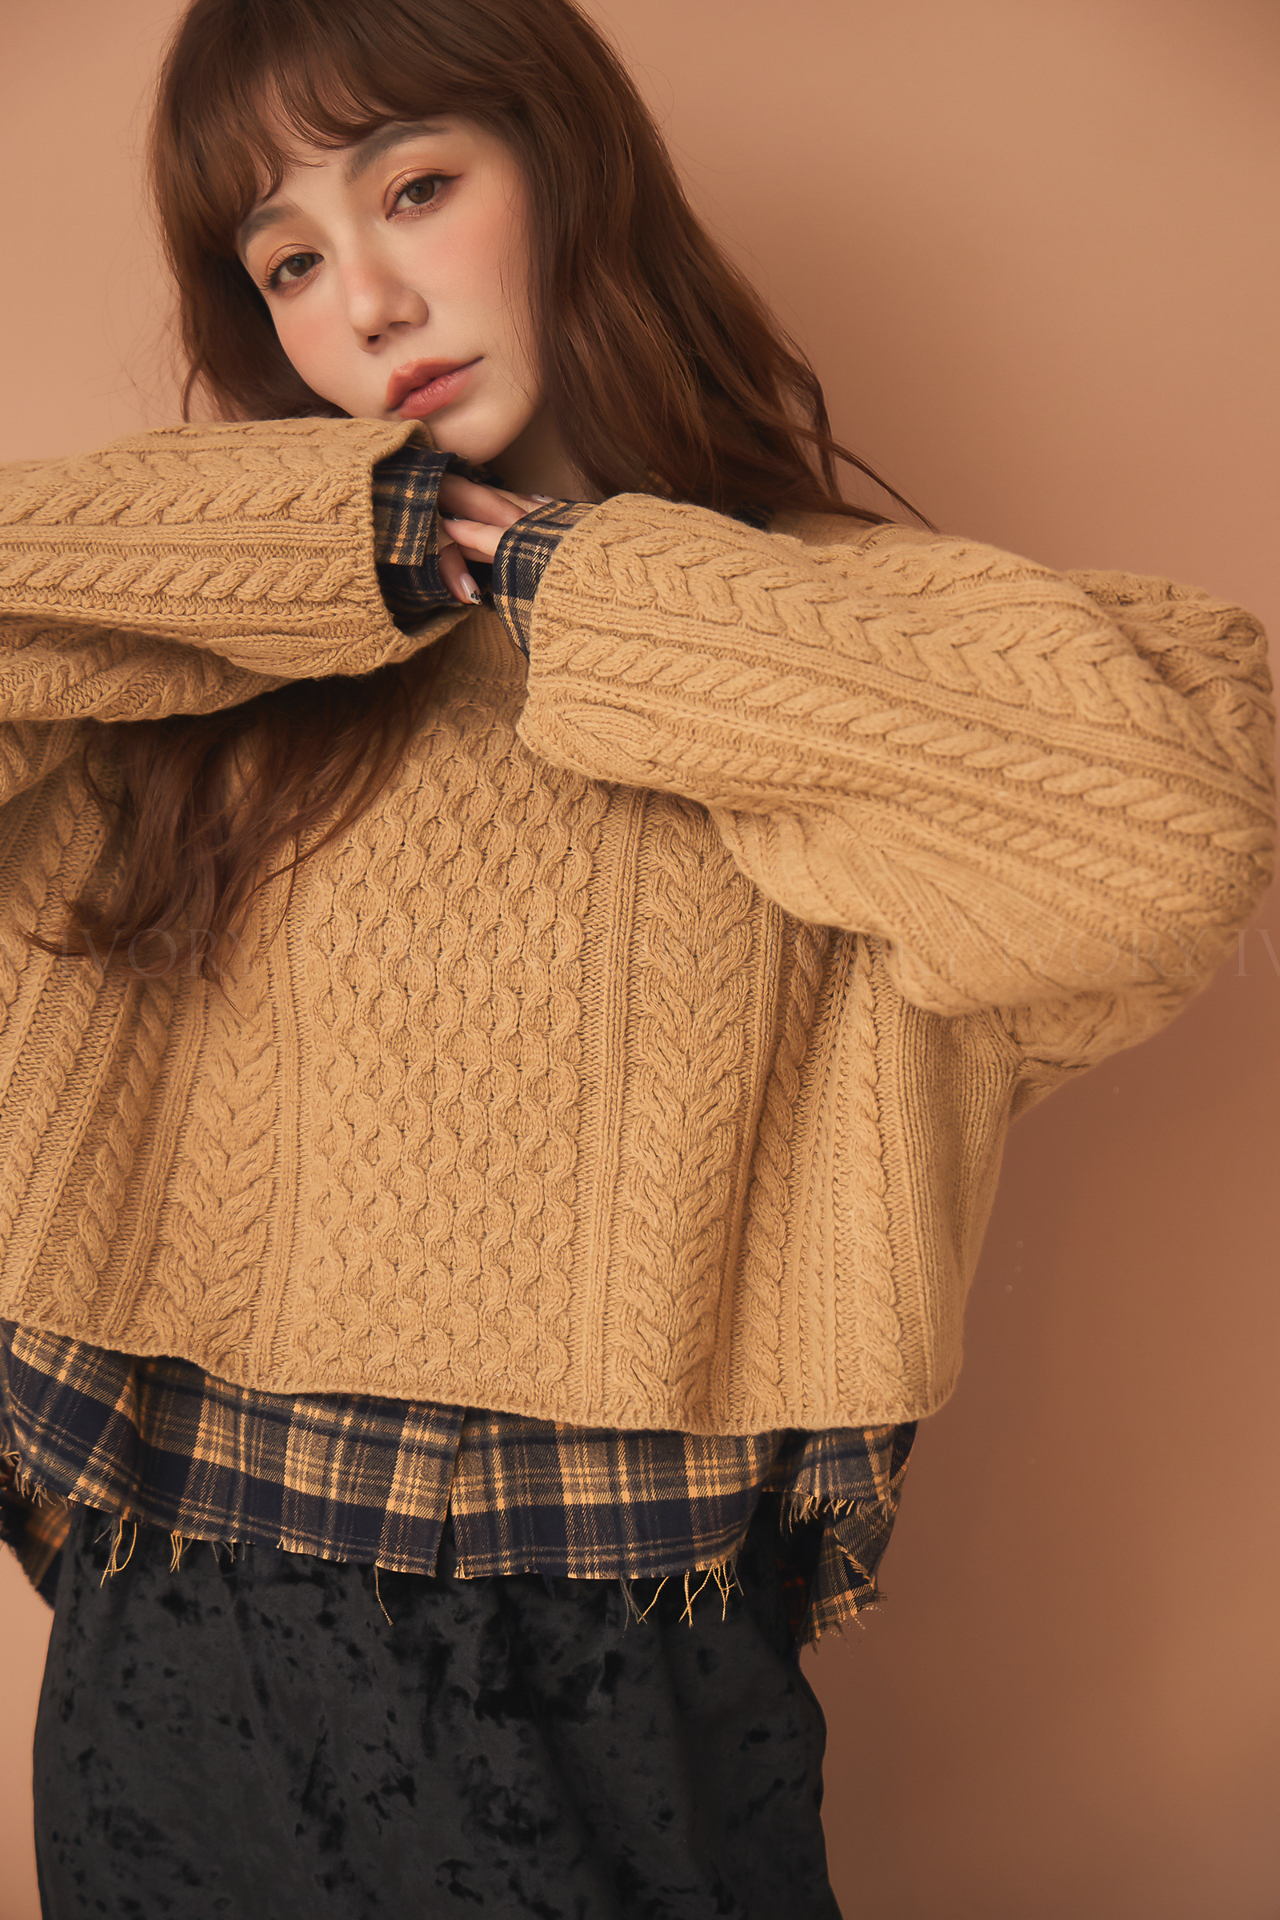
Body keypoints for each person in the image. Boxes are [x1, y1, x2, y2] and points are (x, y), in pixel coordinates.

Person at [0, 0, 1273, 1913]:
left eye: (412, 189)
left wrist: (560, 573)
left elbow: (1167, 832)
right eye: (288, 263)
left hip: (620, 1694)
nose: (366, 301)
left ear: (566, 163)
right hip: (179, 1670)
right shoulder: (194, 682)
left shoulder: (847, 646)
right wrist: (340, 540)